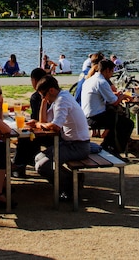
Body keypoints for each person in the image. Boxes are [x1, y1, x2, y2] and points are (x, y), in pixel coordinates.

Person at [31, 76, 91, 204]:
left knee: (42, 166)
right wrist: (43, 103)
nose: (44, 98)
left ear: (51, 90)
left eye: (44, 95)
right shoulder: (59, 98)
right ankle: (73, 179)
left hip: (78, 146)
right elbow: (44, 122)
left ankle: (69, 188)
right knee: (37, 158)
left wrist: (37, 125)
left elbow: (55, 126)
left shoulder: (62, 100)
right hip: (70, 143)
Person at [80, 59, 132, 154]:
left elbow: (105, 96)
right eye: (112, 71)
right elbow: (115, 102)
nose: (112, 74)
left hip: (87, 114)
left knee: (118, 119)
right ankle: (116, 149)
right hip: (95, 117)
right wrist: (123, 96)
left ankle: (107, 145)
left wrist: (117, 95)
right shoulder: (102, 82)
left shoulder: (91, 80)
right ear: (107, 70)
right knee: (127, 123)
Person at [10, 68, 48, 178]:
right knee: (26, 137)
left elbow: (37, 119)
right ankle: (20, 165)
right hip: (52, 128)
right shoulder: (49, 93)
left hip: (48, 131)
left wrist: (30, 120)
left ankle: (18, 165)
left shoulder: (36, 96)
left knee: (25, 137)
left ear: (34, 80)